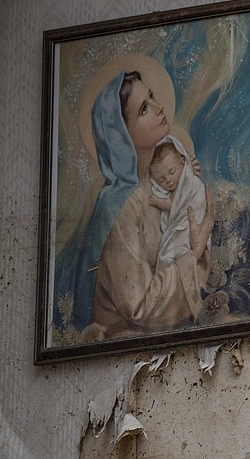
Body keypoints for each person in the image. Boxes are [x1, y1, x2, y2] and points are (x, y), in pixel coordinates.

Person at [59, 70, 214, 339]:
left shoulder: (160, 181)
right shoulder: (120, 207)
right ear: (121, 135)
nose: (158, 107)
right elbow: (141, 307)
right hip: (124, 340)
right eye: (144, 109)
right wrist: (195, 252)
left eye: (152, 97)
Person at [148, 136, 211, 274]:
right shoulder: (177, 186)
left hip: (190, 228)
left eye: (172, 172)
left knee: (175, 252)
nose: (168, 181)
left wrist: (156, 201)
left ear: (183, 162)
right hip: (181, 226)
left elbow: (173, 204)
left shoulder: (189, 184)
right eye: (161, 180)